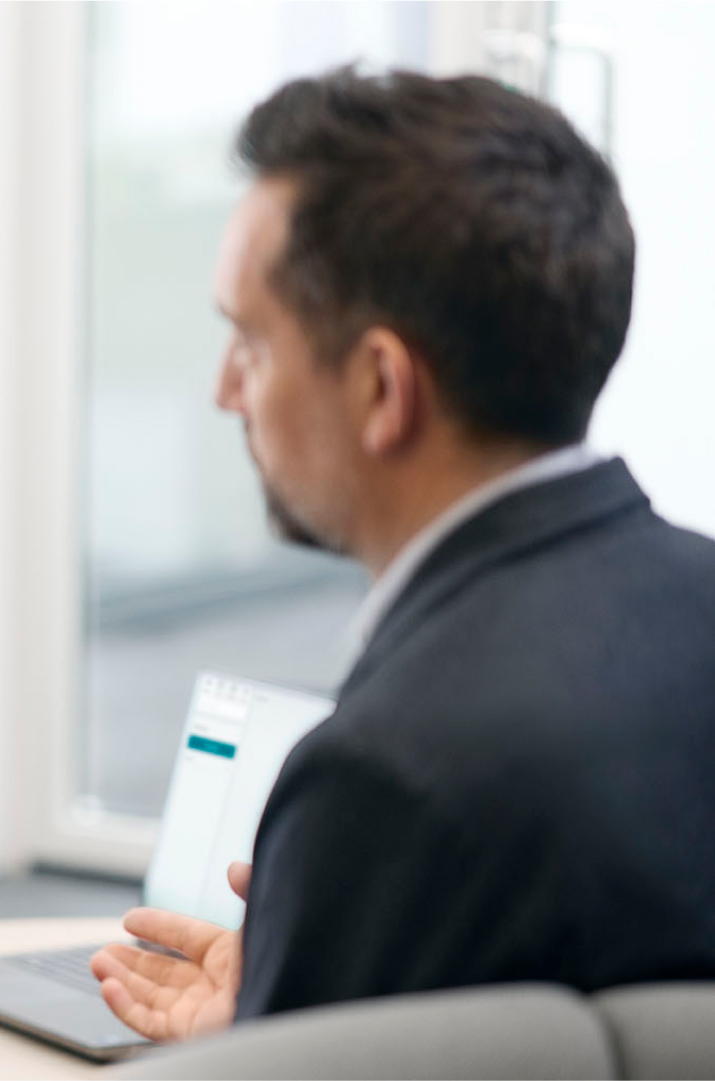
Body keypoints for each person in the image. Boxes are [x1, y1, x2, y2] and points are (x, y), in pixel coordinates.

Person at [91, 68, 715, 1039]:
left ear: (382, 387)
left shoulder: (386, 777)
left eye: (250, 343)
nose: (224, 390)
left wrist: (258, 1039)